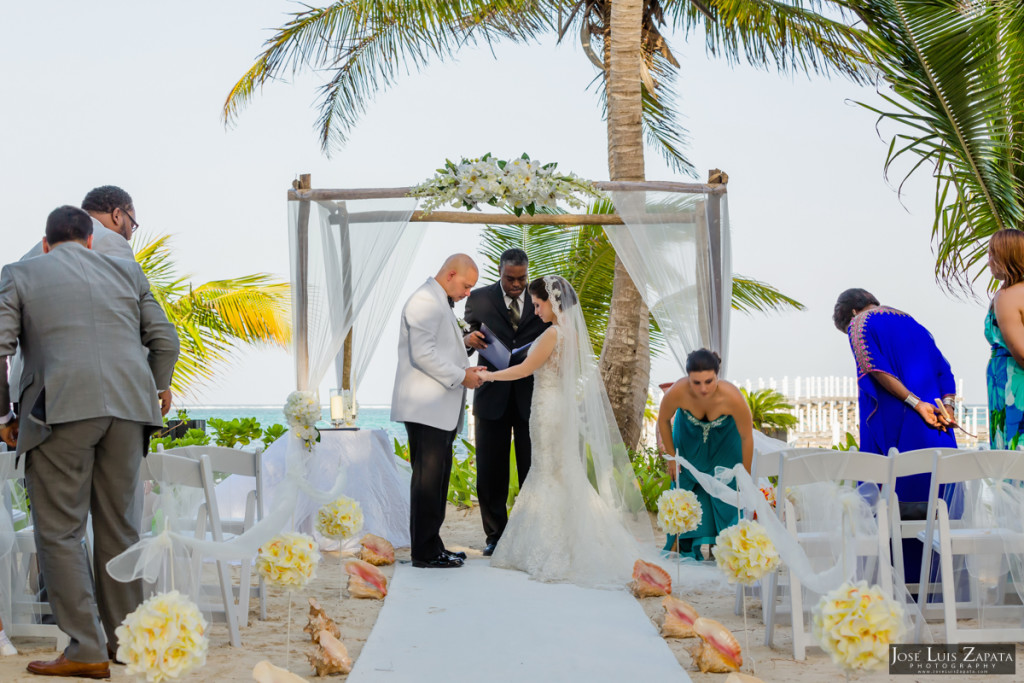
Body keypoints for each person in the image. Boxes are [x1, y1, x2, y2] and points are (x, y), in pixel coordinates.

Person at [0, 205, 179, 678]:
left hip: (60, 411)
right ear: (90, 241)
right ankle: (126, 642)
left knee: (60, 532)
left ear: (45, 243)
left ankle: (85, 649)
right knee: (121, 527)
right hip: (130, 410)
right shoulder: (126, 270)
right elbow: (165, 338)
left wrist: (5, 414)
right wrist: (157, 389)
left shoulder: (19, 274)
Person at [478, 276, 652, 588]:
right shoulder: (570, 334)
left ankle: (551, 549)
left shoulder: (551, 334)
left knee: (547, 473)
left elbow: (524, 369)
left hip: (548, 410)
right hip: (562, 408)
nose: (535, 309)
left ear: (553, 302)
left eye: (538, 303)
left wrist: (490, 376)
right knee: (561, 472)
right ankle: (573, 542)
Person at [833, 287, 956, 584]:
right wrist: (947, 409)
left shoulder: (860, 324)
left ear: (851, 312)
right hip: (936, 428)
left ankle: (894, 585)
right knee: (934, 504)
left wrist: (916, 404)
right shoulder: (914, 323)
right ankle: (933, 585)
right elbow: (945, 371)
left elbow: (874, 368)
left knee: (889, 502)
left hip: (898, 424)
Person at [391, 254, 485, 569]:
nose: (468, 293)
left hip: (438, 409)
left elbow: (439, 344)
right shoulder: (423, 300)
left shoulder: (436, 300)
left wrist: (464, 342)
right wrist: (463, 376)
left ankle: (433, 545)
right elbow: (423, 354)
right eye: (466, 285)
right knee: (427, 483)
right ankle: (424, 553)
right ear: (451, 274)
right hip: (425, 407)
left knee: (438, 481)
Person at [10, 185, 138, 408]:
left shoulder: (29, 255)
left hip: (28, 388)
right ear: (118, 215)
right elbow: (128, 317)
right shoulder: (111, 241)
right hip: (83, 390)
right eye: (132, 225)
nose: (129, 235)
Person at [463, 248, 549, 556]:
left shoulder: (541, 296)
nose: (516, 284)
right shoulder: (479, 299)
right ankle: (495, 536)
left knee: (531, 467)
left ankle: (528, 534)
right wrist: (467, 341)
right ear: (500, 272)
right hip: (491, 396)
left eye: (521, 278)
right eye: (510, 279)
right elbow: (468, 340)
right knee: (490, 471)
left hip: (530, 397)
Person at [656, 350, 753, 560]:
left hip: (725, 446)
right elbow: (663, 419)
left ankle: (727, 551)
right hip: (689, 444)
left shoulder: (733, 397)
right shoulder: (678, 392)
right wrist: (672, 458)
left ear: (718, 375)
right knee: (685, 492)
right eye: (696, 382)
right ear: (687, 377)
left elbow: (747, 437)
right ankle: (685, 548)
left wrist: (746, 473)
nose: (703, 388)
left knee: (729, 496)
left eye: (709, 381)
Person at [986, 230, 1024, 449]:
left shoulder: (1007, 296)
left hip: (1013, 383)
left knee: (1012, 455)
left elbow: (1020, 353)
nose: (989, 261)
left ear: (1006, 257)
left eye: (992, 254)